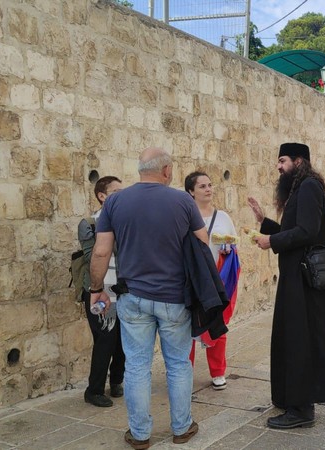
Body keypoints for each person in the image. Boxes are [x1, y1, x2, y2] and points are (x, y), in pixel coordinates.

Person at [89, 148, 207, 450]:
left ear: (141, 169)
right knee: (178, 363)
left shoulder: (115, 201)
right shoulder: (183, 201)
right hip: (174, 298)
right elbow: (202, 244)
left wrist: (96, 288)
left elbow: (101, 251)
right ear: (166, 170)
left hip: (133, 298)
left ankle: (140, 434)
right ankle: (181, 428)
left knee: (137, 366)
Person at [247, 142, 325, 430]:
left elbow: (307, 232)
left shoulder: (309, 186)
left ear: (299, 161)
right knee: (290, 338)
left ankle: (302, 409)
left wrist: (271, 241)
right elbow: (294, 231)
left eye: (283, 160)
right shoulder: (302, 188)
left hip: (305, 282)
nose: (278, 166)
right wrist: (265, 223)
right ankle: (290, 398)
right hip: (295, 278)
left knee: (301, 341)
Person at [184, 171, 240, 391]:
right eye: (202, 186)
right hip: (192, 278)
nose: (208, 189)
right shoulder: (185, 216)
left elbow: (234, 243)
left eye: (210, 184)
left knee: (218, 323)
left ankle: (218, 372)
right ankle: (184, 372)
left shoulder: (223, 217)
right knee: (187, 326)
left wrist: (229, 248)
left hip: (217, 277)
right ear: (191, 192)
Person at [78, 176, 125, 408]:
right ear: (102, 196)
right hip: (99, 291)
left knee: (123, 341)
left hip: (123, 290)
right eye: (115, 192)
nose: (121, 195)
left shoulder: (126, 221)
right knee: (105, 339)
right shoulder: (89, 223)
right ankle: (94, 389)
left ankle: (116, 381)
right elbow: (90, 257)